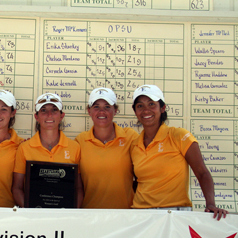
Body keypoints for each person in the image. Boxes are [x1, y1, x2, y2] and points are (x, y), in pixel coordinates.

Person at [130, 84, 228, 220]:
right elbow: (136, 182)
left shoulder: (179, 136)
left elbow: (202, 172)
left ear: (162, 108)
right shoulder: (134, 145)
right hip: (141, 215)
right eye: (140, 106)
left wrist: (210, 204)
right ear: (135, 111)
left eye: (151, 104)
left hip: (175, 215)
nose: (146, 111)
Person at [12, 93, 83, 208]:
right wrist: (33, 213)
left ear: (61, 116)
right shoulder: (24, 148)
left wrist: (71, 214)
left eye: (54, 110)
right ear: (36, 117)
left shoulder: (75, 147)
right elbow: (17, 188)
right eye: (44, 110)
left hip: (65, 220)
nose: (49, 115)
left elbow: (79, 188)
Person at [75, 88, 138, 208]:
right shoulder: (80, 141)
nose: (101, 111)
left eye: (107, 107)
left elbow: (143, 176)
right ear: (89, 111)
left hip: (126, 217)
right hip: (90, 216)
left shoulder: (130, 137)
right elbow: (77, 186)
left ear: (115, 110)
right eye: (96, 107)